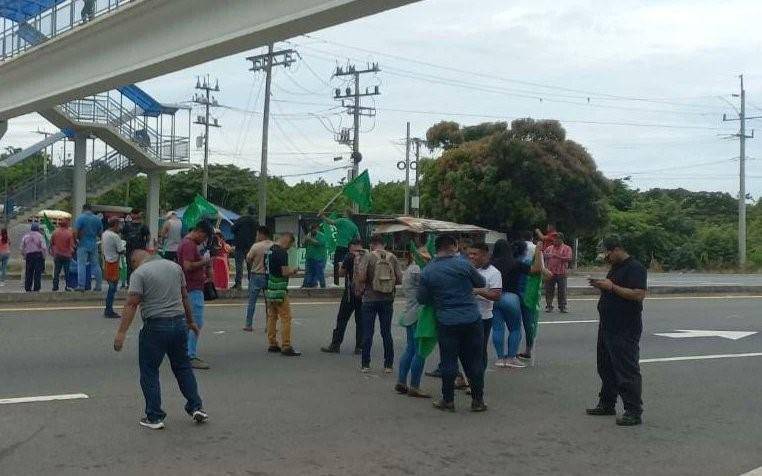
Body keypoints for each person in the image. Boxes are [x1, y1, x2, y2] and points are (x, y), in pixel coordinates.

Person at [113, 249, 208, 430]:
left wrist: (121, 333)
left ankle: (154, 416)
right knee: (183, 367)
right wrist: (191, 321)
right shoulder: (175, 267)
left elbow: (132, 304)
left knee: (149, 371)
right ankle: (196, 407)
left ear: (134, 261)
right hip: (179, 324)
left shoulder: (139, 273)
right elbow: (184, 296)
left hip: (155, 327)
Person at [418, 234, 487, 412]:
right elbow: (481, 282)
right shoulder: (464, 264)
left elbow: (422, 299)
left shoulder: (428, 271)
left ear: (436, 249)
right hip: (472, 318)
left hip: (447, 321)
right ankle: (478, 401)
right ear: (454, 246)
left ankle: (448, 400)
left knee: (448, 361)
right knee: (474, 361)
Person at [587, 235, 647, 427]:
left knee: (626, 369)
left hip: (625, 326)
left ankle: (633, 410)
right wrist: (602, 285)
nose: (606, 258)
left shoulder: (635, 267)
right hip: (607, 324)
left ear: (616, 249)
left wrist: (611, 287)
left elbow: (638, 294)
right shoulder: (616, 268)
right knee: (605, 366)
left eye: (607, 253)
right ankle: (607, 402)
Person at [491, 239, 543, 368]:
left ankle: (499, 358)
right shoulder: (515, 263)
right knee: (515, 329)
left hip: (494, 297)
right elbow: (536, 269)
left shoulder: (490, 264)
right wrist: (538, 252)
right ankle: (511, 357)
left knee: (497, 328)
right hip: (511, 297)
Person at [357, 235, 402, 373]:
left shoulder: (368, 257)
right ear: (384, 244)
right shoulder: (392, 257)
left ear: (372, 244)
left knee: (368, 332)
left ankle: (366, 364)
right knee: (386, 332)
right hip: (387, 299)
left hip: (370, 299)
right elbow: (399, 279)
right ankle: (388, 365)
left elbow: (362, 277)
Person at [395, 247, 431, 398]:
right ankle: (414, 386)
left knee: (410, 349)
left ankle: (402, 381)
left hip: (409, 313)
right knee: (420, 351)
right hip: (419, 315)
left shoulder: (410, 269)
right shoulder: (418, 270)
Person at [177, 220, 214, 370]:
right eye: (204, 237)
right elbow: (187, 265)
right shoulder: (189, 245)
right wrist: (204, 262)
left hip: (192, 286)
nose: (203, 241)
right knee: (195, 322)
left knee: (189, 322)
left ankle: (184, 352)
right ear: (200, 232)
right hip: (192, 288)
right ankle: (190, 355)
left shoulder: (187, 244)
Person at [320, 239, 364, 354]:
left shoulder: (349, 257)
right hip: (363, 294)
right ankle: (360, 346)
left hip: (350, 293)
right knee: (361, 321)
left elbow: (341, 273)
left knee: (342, 319)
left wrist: (342, 266)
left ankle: (335, 345)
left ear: (350, 247)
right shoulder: (366, 257)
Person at [265, 232, 301, 356]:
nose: (289, 248)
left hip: (270, 287)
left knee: (272, 316)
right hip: (280, 288)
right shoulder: (282, 252)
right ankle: (286, 345)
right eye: (290, 245)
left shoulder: (270, 250)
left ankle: (272, 343)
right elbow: (284, 272)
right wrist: (294, 270)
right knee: (286, 317)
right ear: (287, 241)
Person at [468, 242, 502, 372]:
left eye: (474, 254)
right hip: (465, 315)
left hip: (483, 317)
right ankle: (464, 377)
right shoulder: (467, 269)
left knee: (479, 350)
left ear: (485, 255)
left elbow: (496, 295)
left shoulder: (494, 273)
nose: (471, 257)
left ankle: (477, 380)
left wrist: (478, 291)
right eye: (469, 254)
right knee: (465, 349)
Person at [243, 226, 273, 332]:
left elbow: (248, 258)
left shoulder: (256, 246)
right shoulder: (274, 246)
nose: (256, 236)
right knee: (269, 302)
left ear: (261, 234)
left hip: (256, 274)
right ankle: (269, 325)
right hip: (269, 276)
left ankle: (248, 324)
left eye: (257, 234)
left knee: (252, 301)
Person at [321, 209, 360, 286]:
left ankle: (336, 283)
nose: (342, 213)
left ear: (346, 214)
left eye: (344, 212)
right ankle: (348, 283)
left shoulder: (342, 220)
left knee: (336, 265)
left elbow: (330, 222)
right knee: (348, 266)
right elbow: (358, 237)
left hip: (340, 246)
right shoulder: (354, 226)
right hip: (349, 248)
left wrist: (322, 216)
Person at [74, 204, 103, 291]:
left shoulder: (80, 218)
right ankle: (98, 286)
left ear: (83, 209)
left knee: (81, 265)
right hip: (93, 244)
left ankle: (81, 286)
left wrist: (76, 240)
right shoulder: (97, 219)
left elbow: (76, 231)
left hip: (82, 244)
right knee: (96, 265)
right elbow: (100, 233)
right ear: (91, 209)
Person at [102, 218, 125, 319]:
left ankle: (108, 308)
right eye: (119, 224)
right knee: (112, 288)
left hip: (107, 261)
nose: (120, 227)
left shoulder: (105, 234)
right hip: (114, 262)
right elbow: (120, 250)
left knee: (111, 287)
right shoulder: (115, 236)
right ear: (115, 225)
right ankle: (109, 309)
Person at [544, 232, 573, 313]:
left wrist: (558, 257)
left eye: (557, 239)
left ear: (561, 240)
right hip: (550, 272)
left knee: (562, 290)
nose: (555, 241)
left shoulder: (567, 248)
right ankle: (549, 306)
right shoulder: (549, 248)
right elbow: (544, 256)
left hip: (562, 272)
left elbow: (569, 258)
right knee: (549, 290)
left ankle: (562, 306)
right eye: (554, 239)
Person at [232, 205, 258, 289]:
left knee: (239, 266)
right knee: (250, 267)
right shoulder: (255, 222)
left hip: (239, 246)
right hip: (251, 247)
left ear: (247, 211)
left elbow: (232, 229)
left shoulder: (241, 220)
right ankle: (252, 284)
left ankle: (238, 284)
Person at [123, 211, 150, 283]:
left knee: (130, 265)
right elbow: (148, 238)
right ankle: (140, 282)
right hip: (140, 249)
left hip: (130, 249)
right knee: (141, 265)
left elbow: (123, 236)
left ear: (132, 215)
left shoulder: (127, 226)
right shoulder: (144, 226)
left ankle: (130, 282)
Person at [50, 219, 75, 292]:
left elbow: (52, 243)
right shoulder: (69, 233)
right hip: (67, 255)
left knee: (56, 272)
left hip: (57, 254)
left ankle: (55, 286)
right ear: (67, 225)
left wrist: (53, 251)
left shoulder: (55, 232)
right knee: (67, 272)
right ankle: (67, 286)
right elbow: (72, 246)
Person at [21, 223, 46, 292]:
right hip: (38, 256)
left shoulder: (26, 236)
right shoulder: (40, 236)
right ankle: (36, 288)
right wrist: (44, 256)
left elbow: (22, 247)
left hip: (29, 255)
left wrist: (24, 255)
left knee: (28, 272)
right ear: (38, 229)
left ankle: (27, 287)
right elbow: (43, 247)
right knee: (37, 273)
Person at [302, 223, 327, 288]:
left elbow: (319, 243)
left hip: (319, 258)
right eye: (311, 229)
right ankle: (307, 285)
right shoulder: (309, 235)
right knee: (308, 273)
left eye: (313, 229)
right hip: (309, 257)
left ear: (317, 229)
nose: (312, 231)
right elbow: (303, 244)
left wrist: (309, 239)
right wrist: (305, 239)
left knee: (319, 273)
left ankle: (323, 286)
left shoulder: (321, 235)